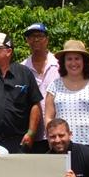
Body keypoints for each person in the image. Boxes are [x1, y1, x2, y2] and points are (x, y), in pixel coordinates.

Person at [44, 40, 89, 164]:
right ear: (63, 62)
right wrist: (52, 141)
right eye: (69, 59)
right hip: (62, 146)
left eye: (77, 58)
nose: (73, 63)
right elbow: (48, 117)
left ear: (84, 61)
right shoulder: (54, 85)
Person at [20, 23, 59, 153]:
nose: (35, 40)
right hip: (31, 134)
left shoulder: (60, 66)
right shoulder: (22, 68)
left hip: (56, 134)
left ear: (47, 39)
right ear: (27, 41)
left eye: (39, 36)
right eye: (31, 37)